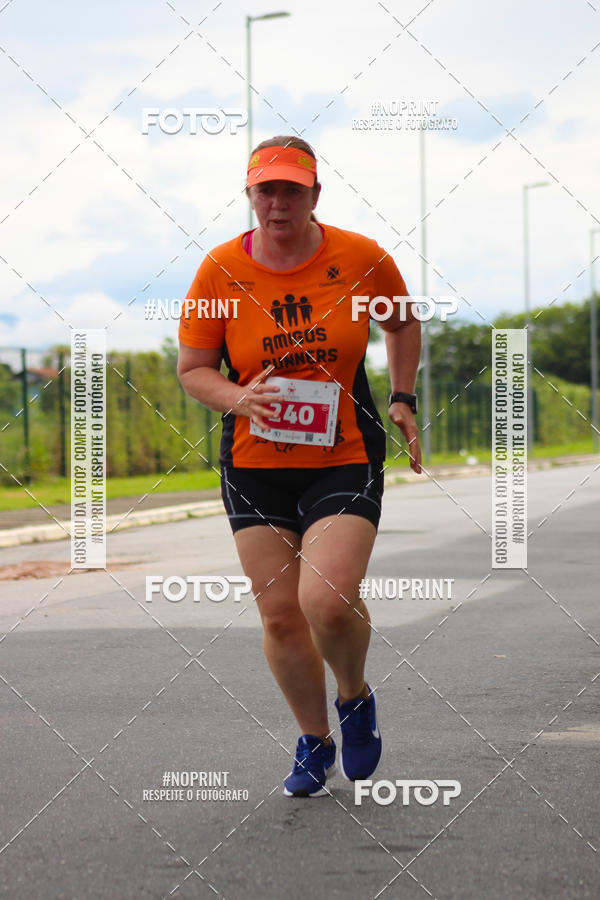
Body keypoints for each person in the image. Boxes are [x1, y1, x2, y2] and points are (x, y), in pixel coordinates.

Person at [178, 136, 421, 797]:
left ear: (316, 194)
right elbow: (194, 370)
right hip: (254, 462)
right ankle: (314, 739)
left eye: (292, 189)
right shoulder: (219, 271)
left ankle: (354, 697)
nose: (278, 203)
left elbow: (402, 324)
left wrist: (402, 396)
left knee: (327, 600)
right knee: (282, 614)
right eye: (266, 190)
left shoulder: (362, 258)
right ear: (249, 194)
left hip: (344, 452)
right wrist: (238, 398)